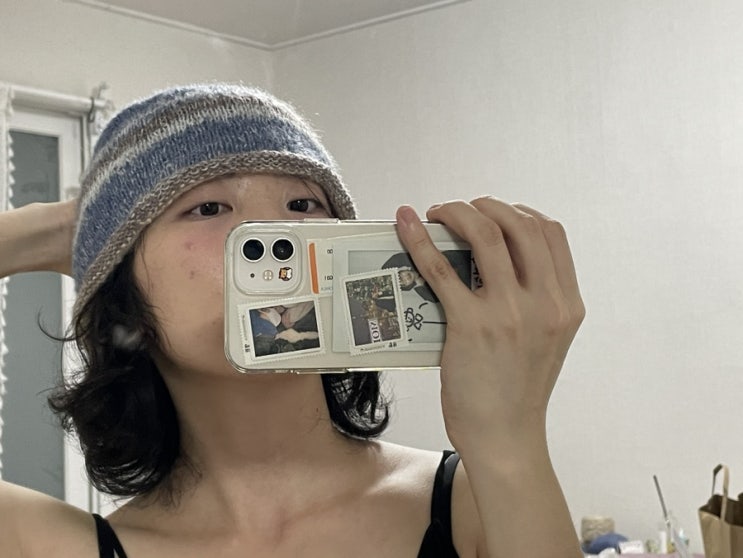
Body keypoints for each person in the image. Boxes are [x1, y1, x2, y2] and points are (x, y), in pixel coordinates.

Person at [0, 83, 585, 557]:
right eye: (208, 207)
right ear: (123, 290)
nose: (278, 234)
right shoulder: (61, 546)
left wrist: (510, 437)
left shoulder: (476, 503)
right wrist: (71, 228)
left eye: (304, 205)